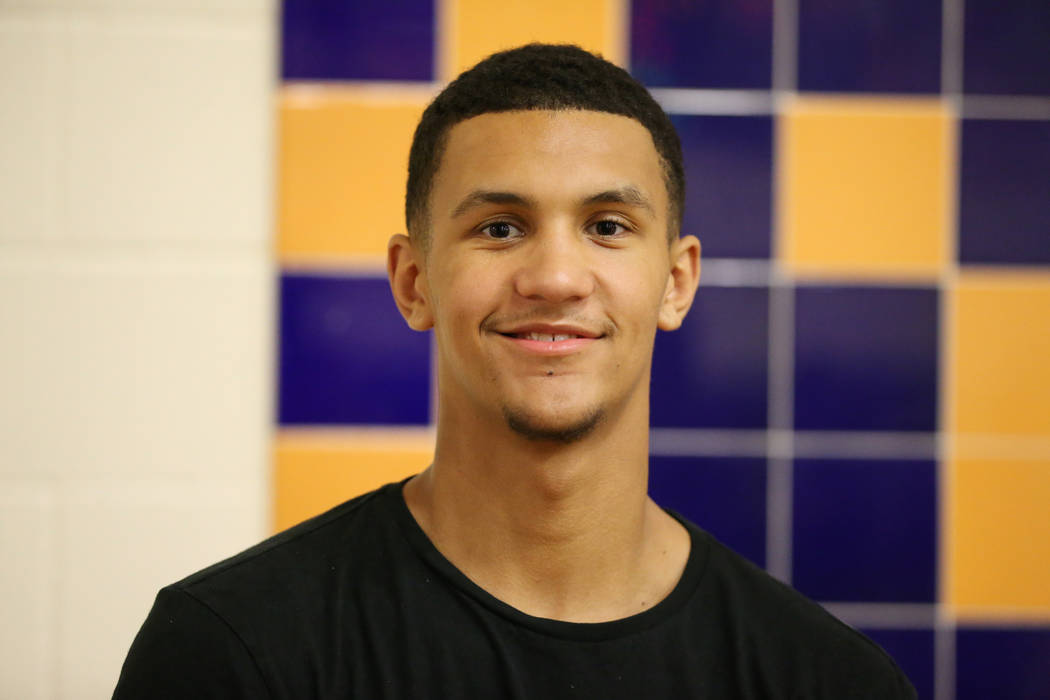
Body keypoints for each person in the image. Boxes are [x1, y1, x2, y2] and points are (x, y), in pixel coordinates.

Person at [113, 43, 916, 699]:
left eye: (607, 226)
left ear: (676, 282)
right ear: (413, 282)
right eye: (500, 228)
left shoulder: (824, 680)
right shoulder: (233, 652)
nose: (556, 278)